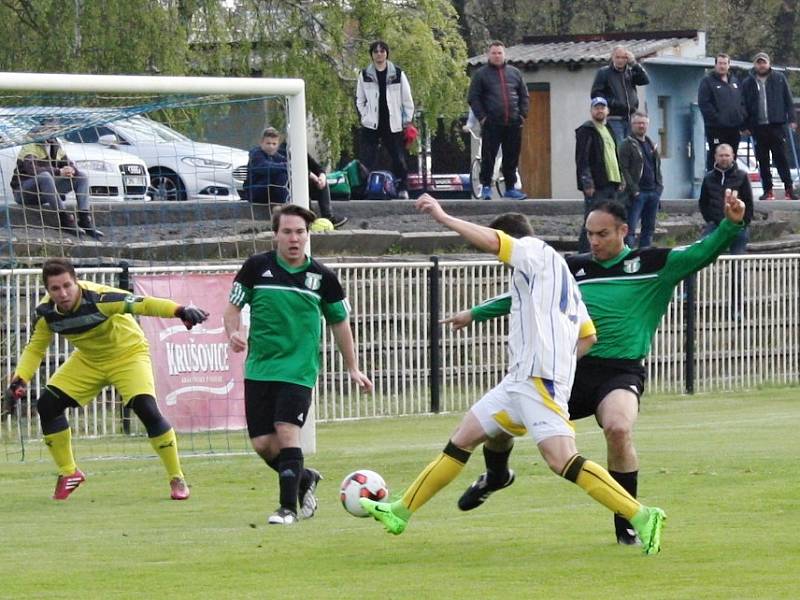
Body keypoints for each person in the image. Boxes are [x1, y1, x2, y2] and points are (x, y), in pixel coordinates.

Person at [360, 194, 667, 556]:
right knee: (462, 439)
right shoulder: (557, 275)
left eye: (500, 251)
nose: (499, 257)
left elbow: (493, 240)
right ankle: (399, 512)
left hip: (538, 380)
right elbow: (589, 336)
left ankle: (642, 514)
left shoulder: (533, 251)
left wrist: (444, 217)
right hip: (520, 380)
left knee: (561, 460)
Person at [443, 192, 746, 546]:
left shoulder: (653, 263)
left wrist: (731, 223)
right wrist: (475, 312)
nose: (594, 241)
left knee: (618, 427)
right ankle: (496, 476)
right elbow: (525, 295)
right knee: (499, 425)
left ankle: (628, 524)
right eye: (590, 234)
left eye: (602, 234)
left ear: (624, 231)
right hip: (569, 369)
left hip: (620, 371)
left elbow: (702, 252)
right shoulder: (573, 268)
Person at [5, 258, 208, 500]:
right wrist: (21, 379)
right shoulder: (46, 313)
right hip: (89, 360)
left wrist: (180, 311)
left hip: (128, 354)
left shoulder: (100, 298)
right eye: (55, 289)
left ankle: (177, 478)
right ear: (47, 291)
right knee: (48, 404)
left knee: (146, 409)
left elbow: (144, 305)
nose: (63, 293)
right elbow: (35, 349)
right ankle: (69, 472)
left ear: (76, 282)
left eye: (67, 285)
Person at [223, 204, 373, 525]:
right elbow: (232, 308)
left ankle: (287, 509)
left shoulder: (322, 278)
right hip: (259, 369)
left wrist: (353, 367)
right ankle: (304, 478)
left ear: (308, 235)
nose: (294, 238)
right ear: (275, 234)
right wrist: (233, 333)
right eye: (287, 232)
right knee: (263, 444)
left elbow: (340, 323)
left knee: (287, 432)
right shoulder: (255, 268)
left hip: (298, 371)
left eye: (300, 232)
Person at [11, 122, 104, 239]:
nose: (53, 131)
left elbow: (68, 163)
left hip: (44, 193)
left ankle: (85, 220)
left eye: (54, 129)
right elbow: (32, 169)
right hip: (24, 192)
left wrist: (71, 169)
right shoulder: (30, 146)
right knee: (45, 176)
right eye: (50, 129)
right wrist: (58, 171)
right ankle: (65, 220)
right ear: (40, 130)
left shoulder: (56, 145)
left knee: (82, 177)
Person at [468, 41, 528, 200]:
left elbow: (524, 95)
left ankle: (510, 188)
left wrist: (523, 115)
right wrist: (482, 118)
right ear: (489, 54)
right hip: (491, 124)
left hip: (514, 123)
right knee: (488, 156)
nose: (497, 56)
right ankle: (486, 187)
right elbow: (473, 98)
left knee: (511, 158)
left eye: (499, 53)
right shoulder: (481, 75)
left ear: (504, 54)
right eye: (494, 53)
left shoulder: (515, 73)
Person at [356, 40, 414, 199]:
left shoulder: (398, 74)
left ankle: (402, 188)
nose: (379, 54)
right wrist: (365, 116)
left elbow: (407, 100)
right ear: (371, 55)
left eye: (382, 51)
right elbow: (360, 100)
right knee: (366, 158)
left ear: (387, 53)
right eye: (376, 51)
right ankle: (363, 189)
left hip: (393, 123)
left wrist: (405, 120)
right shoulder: (364, 74)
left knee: (398, 157)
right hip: (371, 124)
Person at [741, 52, 798, 200]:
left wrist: (792, 119)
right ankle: (768, 191)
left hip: (776, 125)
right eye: (759, 62)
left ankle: (789, 190)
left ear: (769, 63)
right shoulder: (747, 82)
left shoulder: (779, 78)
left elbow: (788, 99)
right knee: (763, 161)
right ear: (755, 65)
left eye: (764, 62)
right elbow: (743, 105)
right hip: (758, 127)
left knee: (782, 159)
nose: (761, 65)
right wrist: (744, 125)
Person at [575, 96, 622, 252]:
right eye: (596, 108)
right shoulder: (586, 130)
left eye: (602, 108)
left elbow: (614, 155)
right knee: (591, 222)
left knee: (612, 221)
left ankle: (609, 252)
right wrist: (587, 182)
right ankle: (583, 255)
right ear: (591, 111)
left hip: (612, 183)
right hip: (597, 185)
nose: (600, 110)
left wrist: (620, 177)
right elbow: (582, 159)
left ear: (607, 111)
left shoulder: (609, 130)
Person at [618, 112, 663, 248]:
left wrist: (659, 187)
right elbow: (623, 168)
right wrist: (634, 190)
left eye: (644, 123)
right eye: (638, 123)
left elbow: (657, 167)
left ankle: (645, 259)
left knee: (649, 230)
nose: (641, 126)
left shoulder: (651, 145)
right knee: (629, 230)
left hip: (653, 193)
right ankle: (628, 259)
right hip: (637, 194)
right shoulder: (627, 144)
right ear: (632, 125)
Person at [699, 144, 753, 254]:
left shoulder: (742, 176)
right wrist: (710, 220)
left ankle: (737, 272)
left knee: (738, 258)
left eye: (727, 155)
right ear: (715, 157)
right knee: (699, 252)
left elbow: (749, 202)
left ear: (733, 156)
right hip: (716, 225)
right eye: (721, 155)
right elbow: (703, 202)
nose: (724, 158)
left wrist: (743, 223)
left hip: (737, 225)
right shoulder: (708, 177)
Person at [590, 46, 650, 144]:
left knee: (632, 147)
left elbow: (645, 80)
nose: (620, 60)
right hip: (614, 118)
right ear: (612, 57)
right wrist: (613, 102)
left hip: (631, 118)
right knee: (620, 146)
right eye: (617, 57)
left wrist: (634, 63)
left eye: (623, 58)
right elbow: (596, 93)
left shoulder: (630, 72)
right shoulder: (604, 73)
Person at [697, 53, 747, 171]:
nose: (722, 66)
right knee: (717, 155)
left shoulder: (734, 81)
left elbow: (742, 101)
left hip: (734, 129)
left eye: (725, 63)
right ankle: (713, 184)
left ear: (729, 65)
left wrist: (742, 117)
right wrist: (717, 119)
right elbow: (704, 103)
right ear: (715, 65)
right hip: (716, 130)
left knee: (731, 156)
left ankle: (731, 184)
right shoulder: (707, 81)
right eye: (720, 63)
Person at [243, 127, 289, 205]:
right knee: (280, 175)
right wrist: (285, 166)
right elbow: (265, 167)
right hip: (255, 192)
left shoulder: (277, 156)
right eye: (268, 143)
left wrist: (310, 175)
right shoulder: (256, 154)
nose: (271, 146)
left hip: (269, 192)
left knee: (285, 176)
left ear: (278, 145)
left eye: (274, 144)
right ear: (261, 143)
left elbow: (289, 165)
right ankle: (283, 206)